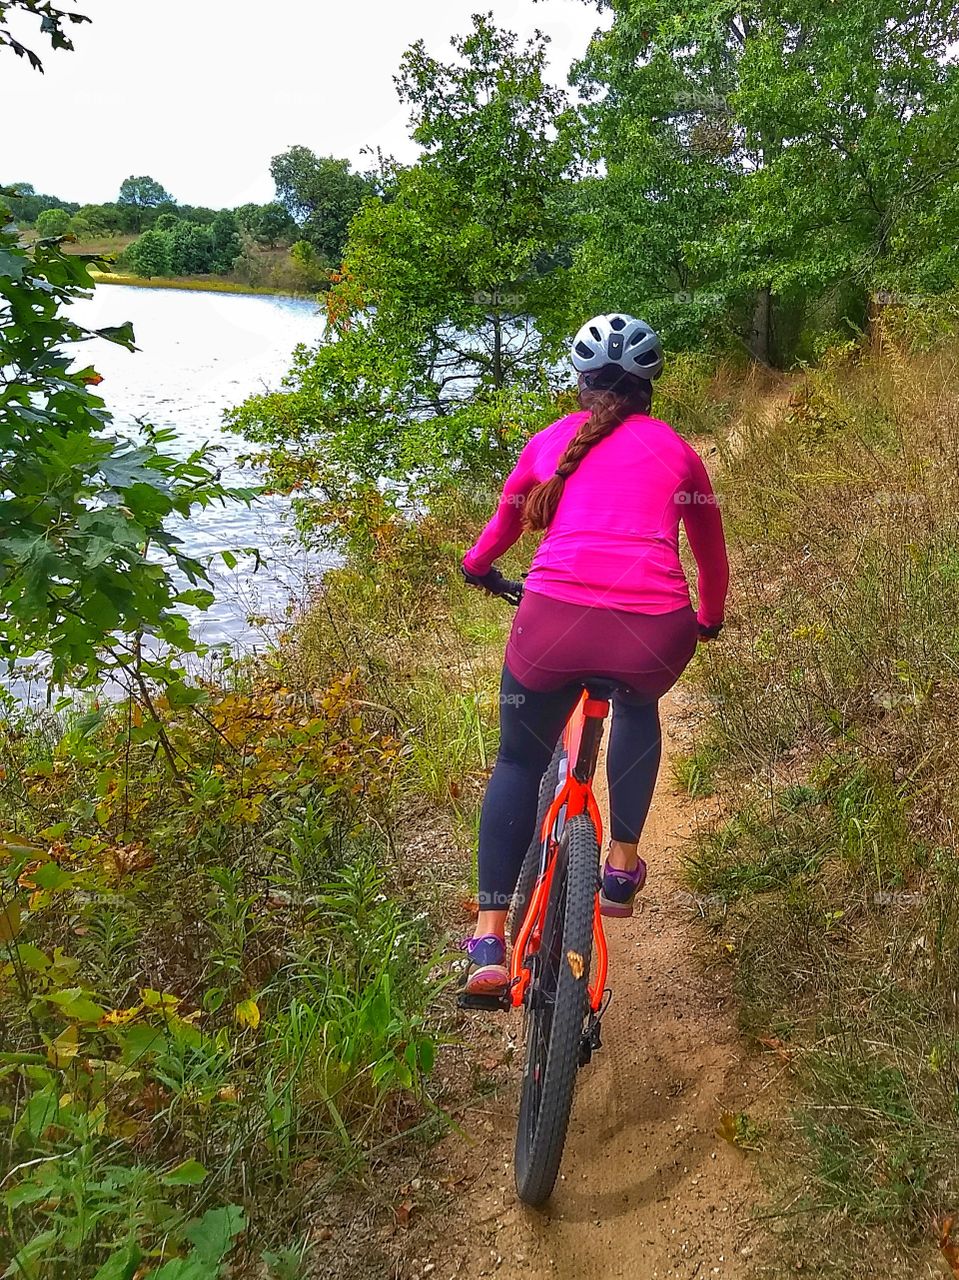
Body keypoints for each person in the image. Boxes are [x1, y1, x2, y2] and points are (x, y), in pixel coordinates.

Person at [460, 314, 729, 996]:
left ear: (580, 383)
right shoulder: (679, 452)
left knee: (519, 759)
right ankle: (619, 866)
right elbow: (709, 553)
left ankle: (489, 938)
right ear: (649, 387)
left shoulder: (549, 440)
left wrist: (477, 566)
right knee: (639, 708)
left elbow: (504, 524)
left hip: (551, 626)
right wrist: (707, 619)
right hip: (653, 633)